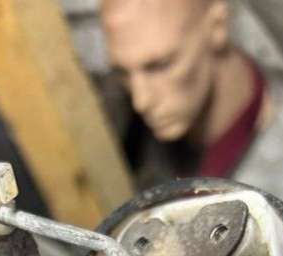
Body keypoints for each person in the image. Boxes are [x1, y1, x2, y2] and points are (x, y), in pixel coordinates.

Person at [100, 0, 270, 181]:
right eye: (123, 73)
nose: (141, 101)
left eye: (161, 66)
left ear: (217, 26)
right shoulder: (128, 143)